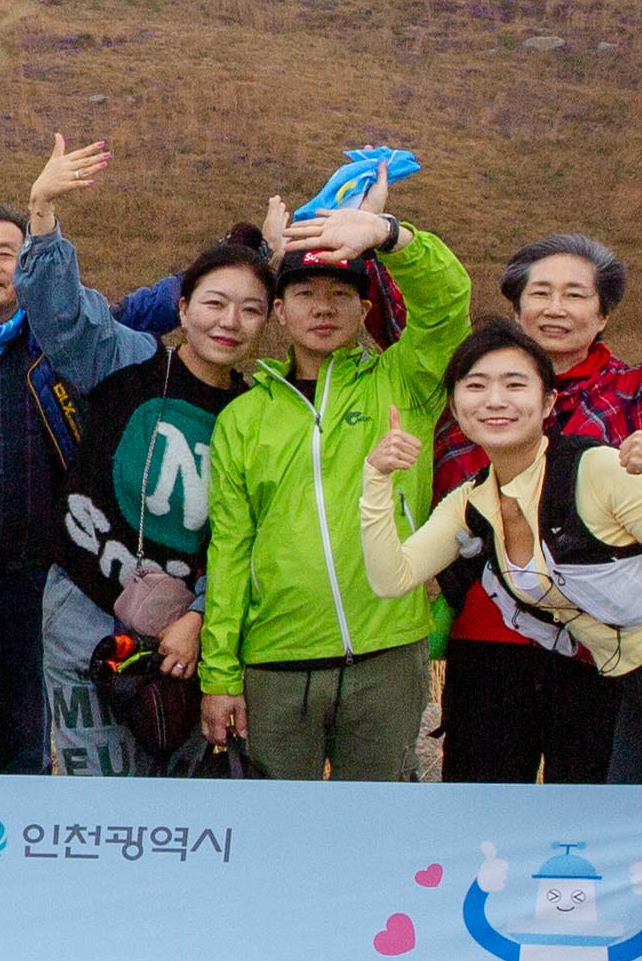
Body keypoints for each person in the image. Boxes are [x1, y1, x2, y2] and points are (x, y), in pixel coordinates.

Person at [440, 141, 642, 787]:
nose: (555, 308)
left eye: (574, 295)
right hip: (487, 642)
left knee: (586, 810)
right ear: (515, 307)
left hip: (600, 652)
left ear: (602, 313)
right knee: (477, 813)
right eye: (540, 293)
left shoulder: (631, 395)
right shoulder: (469, 395)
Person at [359, 325, 642, 784]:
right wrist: (375, 479)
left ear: (547, 403)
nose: (495, 399)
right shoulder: (472, 501)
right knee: (632, 844)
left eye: (515, 384)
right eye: (476, 385)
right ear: (457, 407)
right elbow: (392, 578)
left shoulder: (597, 470)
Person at [193, 187, 466, 781]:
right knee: (277, 833)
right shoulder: (244, 417)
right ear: (280, 312)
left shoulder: (405, 382)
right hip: (275, 662)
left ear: (364, 310)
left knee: (377, 829)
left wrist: (390, 235)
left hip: (387, 656)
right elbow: (231, 550)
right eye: (305, 294)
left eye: (341, 294)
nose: (323, 307)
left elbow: (447, 306)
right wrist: (218, 674)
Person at [0, 137, 154, 778]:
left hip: (36, 573)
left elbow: (158, 308)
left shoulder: (63, 346)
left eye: (9, 252)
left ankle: (16, 857)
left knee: (27, 734)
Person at [50, 230, 279, 775]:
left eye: (250, 310)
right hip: (84, 602)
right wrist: (42, 221)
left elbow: (247, 539)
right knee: (97, 785)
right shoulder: (131, 364)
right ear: (183, 306)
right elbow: (62, 321)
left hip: (188, 631)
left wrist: (200, 616)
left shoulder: (256, 414)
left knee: (176, 788)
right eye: (215, 303)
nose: (229, 322)